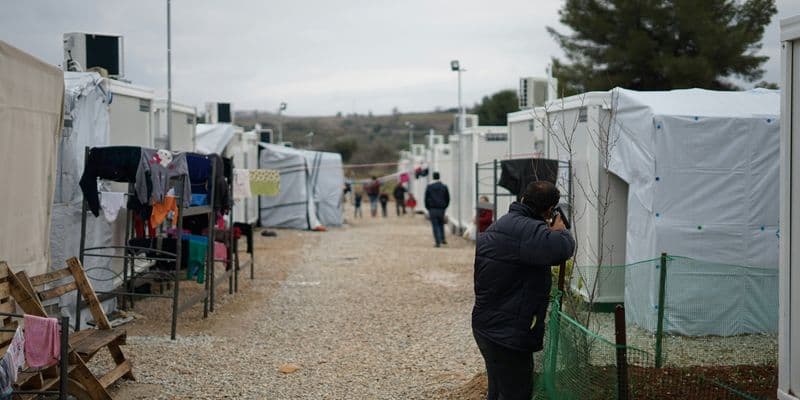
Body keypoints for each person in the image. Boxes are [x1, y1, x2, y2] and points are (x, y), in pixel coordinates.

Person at [472, 181, 575, 400]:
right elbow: (562, 249)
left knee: (498, 390)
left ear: (522, 199)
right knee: (516, 393)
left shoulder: (503, 224)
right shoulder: (529, 231)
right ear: (548, 210)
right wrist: (561, 231)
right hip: (508, 333)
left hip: (486, 325)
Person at [424, 172, 450, 247]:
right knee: (441, 224)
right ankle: (442, 238)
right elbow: (447, 198)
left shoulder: (429, 187)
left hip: (432, 208)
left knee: (435, 225)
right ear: (439, 177)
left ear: (433, 177)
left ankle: (437, 242)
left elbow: (426, 198)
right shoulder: (444, 186)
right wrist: (445, 206)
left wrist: (428, 207)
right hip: (441, 208)